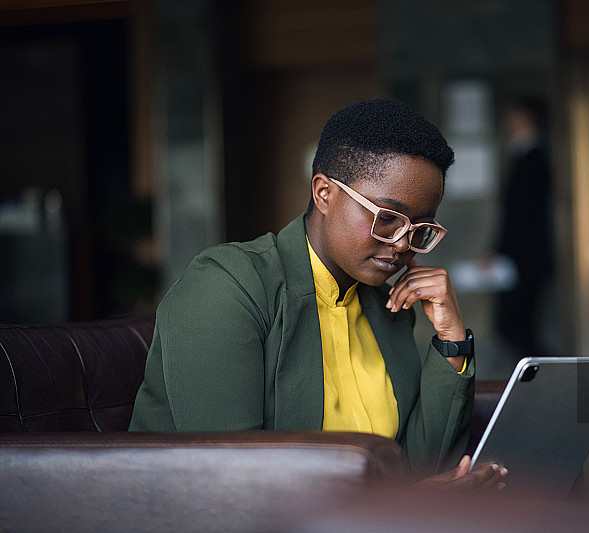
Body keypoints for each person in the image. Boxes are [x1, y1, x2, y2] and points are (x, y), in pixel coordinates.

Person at [129, 98, 506, 487]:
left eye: (419, 230)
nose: (400, 245)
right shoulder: (227, 287)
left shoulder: (386, 307)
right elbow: (229, 483)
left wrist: (452, 340)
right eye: (387, 219)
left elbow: (421, 467)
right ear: (324, 193)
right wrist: (401, 511)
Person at [493, 97, 556, 357]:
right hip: (527, 256)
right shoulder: (526, 156)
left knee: (512, 326)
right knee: (518, 327)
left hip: (525, 256)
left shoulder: (532, 159)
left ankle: (543, 376)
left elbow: (521, 214)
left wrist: (500, 250)